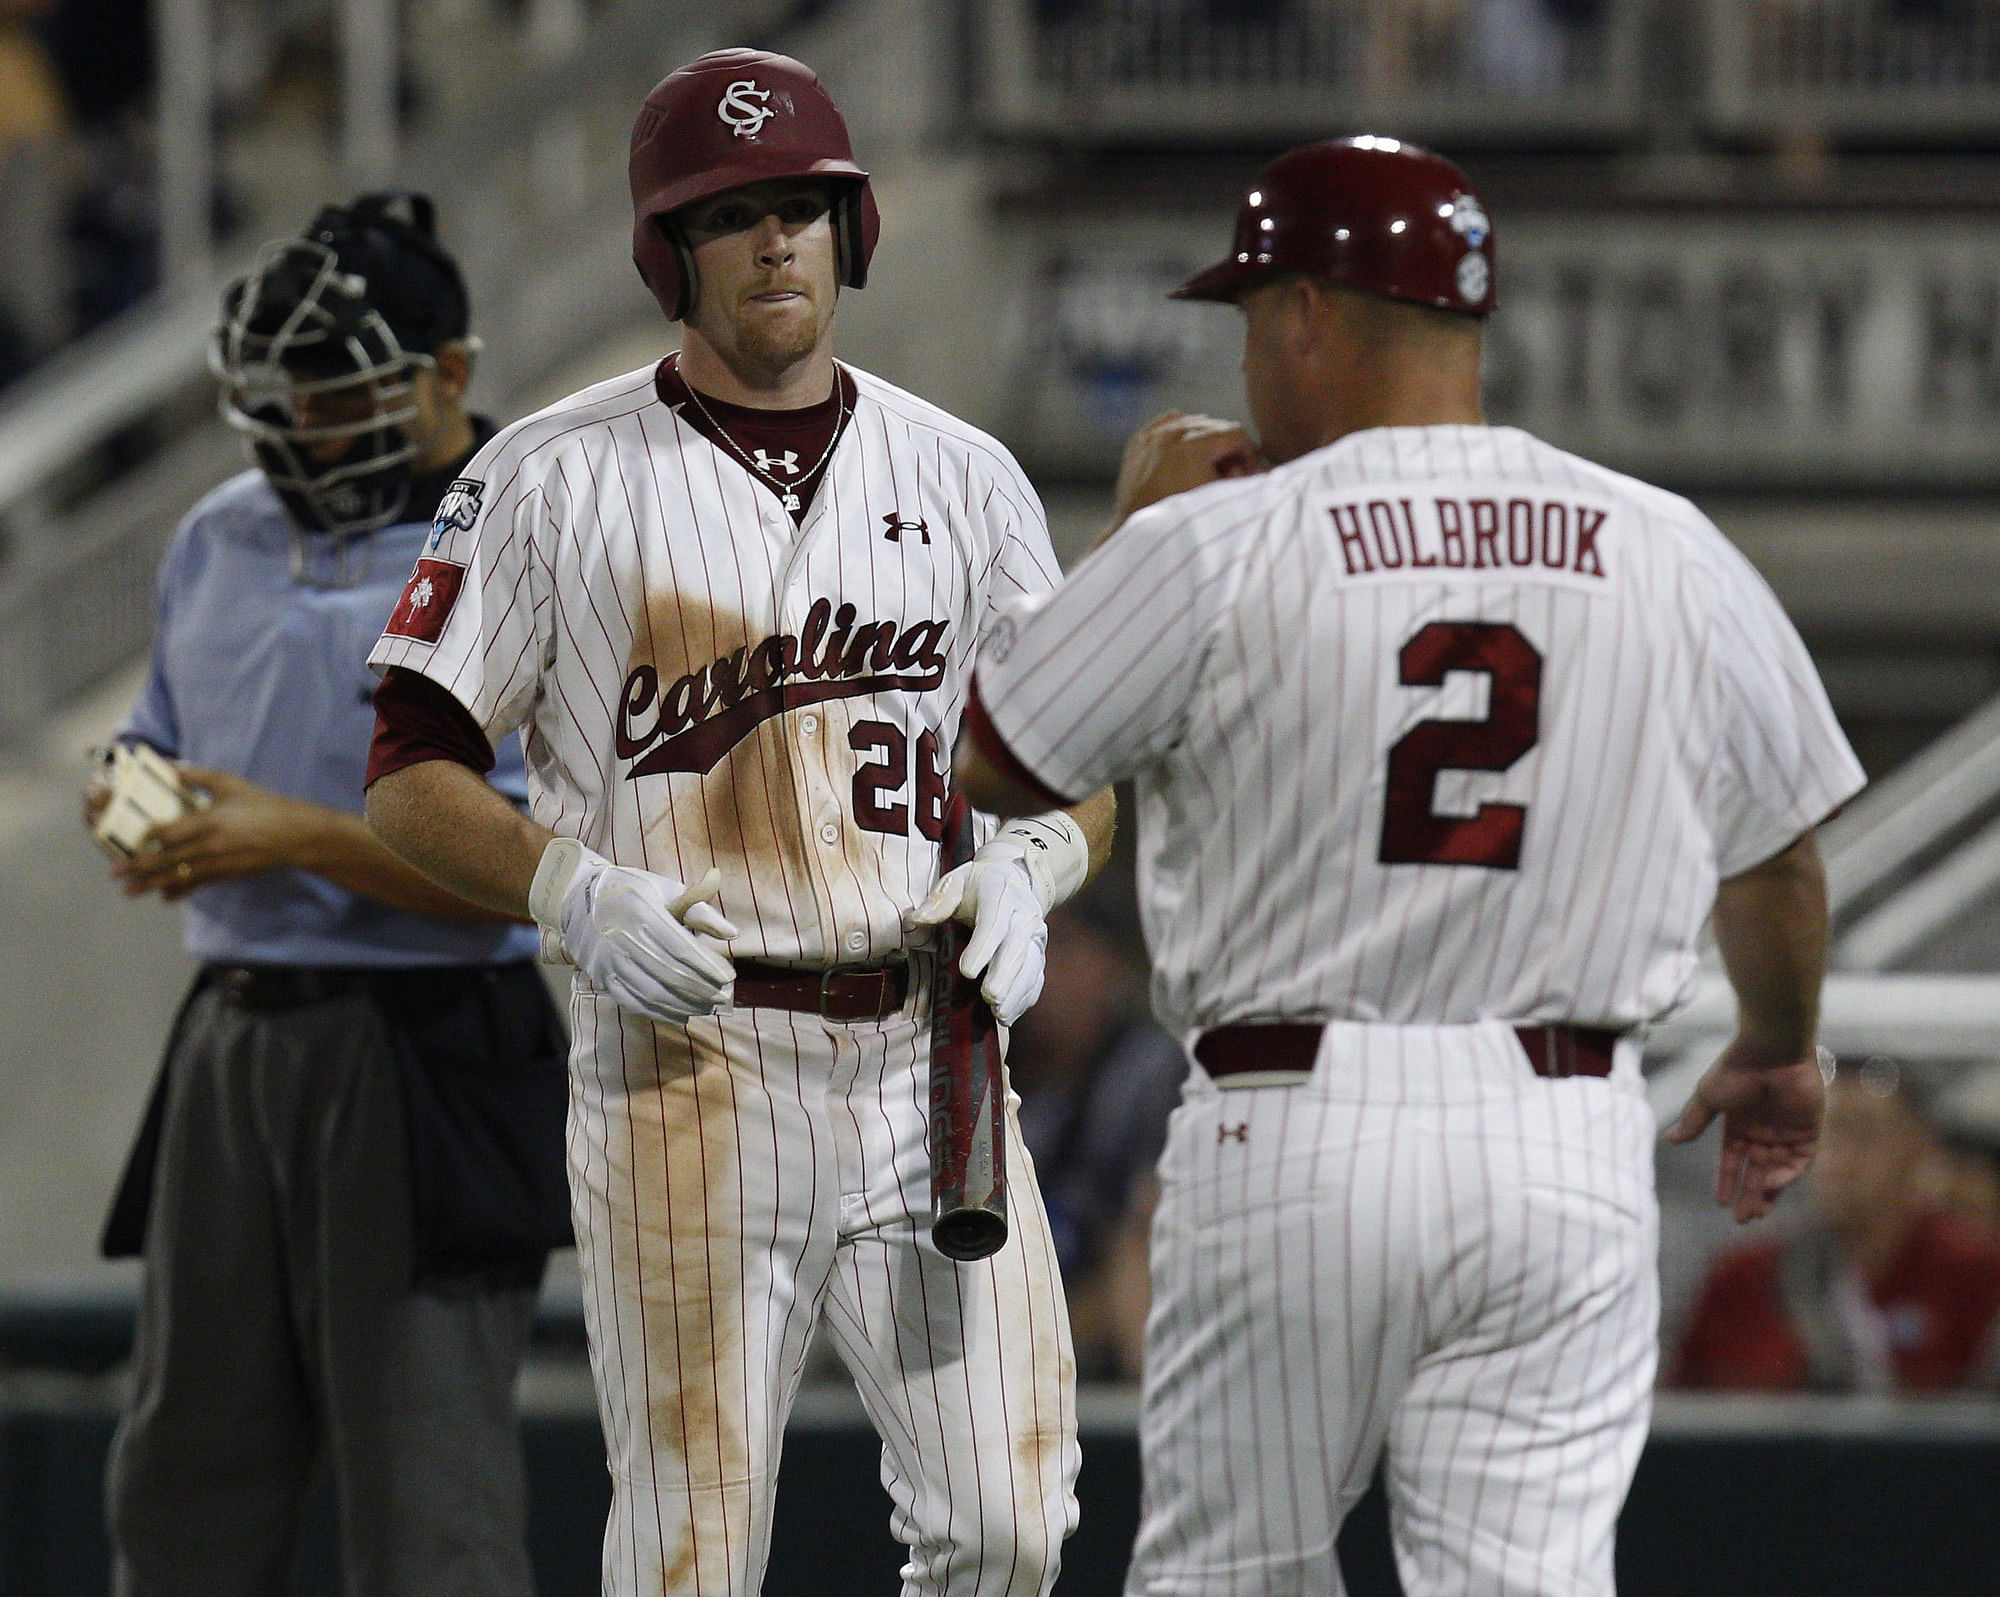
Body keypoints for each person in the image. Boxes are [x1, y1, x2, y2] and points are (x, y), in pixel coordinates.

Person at [957, 135, 1865, 1596]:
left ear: (1313, 311)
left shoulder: (1221, 542)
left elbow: (994, 761)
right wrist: (1776, 1050)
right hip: (1564, 1133)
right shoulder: (1667, 544)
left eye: (1253, 317)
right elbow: (1777, 866)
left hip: (1298, 1127)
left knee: (1229, 1578)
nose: (1246, 354)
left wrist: (1135, 535)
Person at [360, 50, 1115, 1597]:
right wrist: (567, 889)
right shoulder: (549, 476)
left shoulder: (964, 474)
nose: (777, 243)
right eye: (733, 216)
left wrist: (1038, 865)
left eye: (804, 208)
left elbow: (1079, 748)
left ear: (853, 229)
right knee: (691, 1560)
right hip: (687, 1071)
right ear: (669, 253)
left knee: (1010, 1525)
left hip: (929, 1053)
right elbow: (405, 772)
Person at [90, 191, 568, 1597]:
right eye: (284, 394)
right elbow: (158, 732)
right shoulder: (220, 531)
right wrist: (138, 798)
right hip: (231, 1031)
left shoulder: (526, 541)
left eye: (336, 390)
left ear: (449, 376)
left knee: (429, 1513)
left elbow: (525, 874)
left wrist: (282, 835)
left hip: (426, 1047)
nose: (302, 425)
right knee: (179, 1485)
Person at [1675, 1056, 2000, 1392]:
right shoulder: (1743, 1281)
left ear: (1918, 1146)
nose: (1836, 1158)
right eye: (1822, 1133)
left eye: (1861, 1132)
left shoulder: (1980, 1273)